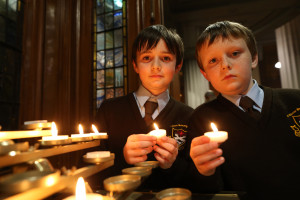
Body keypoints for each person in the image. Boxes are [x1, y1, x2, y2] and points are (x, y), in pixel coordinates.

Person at [187, 21, 300, 200]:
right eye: (213, 60)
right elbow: (205, 188)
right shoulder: (200, 119)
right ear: (205, 74)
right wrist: (204, 171)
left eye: (234, 53)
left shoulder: (295, 101)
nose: (225, 65)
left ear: (254, 58)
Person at [94, 24, 194, 191]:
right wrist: (122, 158)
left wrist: (171, 164)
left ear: (178, 66)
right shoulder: (109, 110)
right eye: (147, 58)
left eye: (166, 58)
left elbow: (193, 180)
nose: (156, 66)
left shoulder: (188, 115)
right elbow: (90, 170)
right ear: (135, 65)